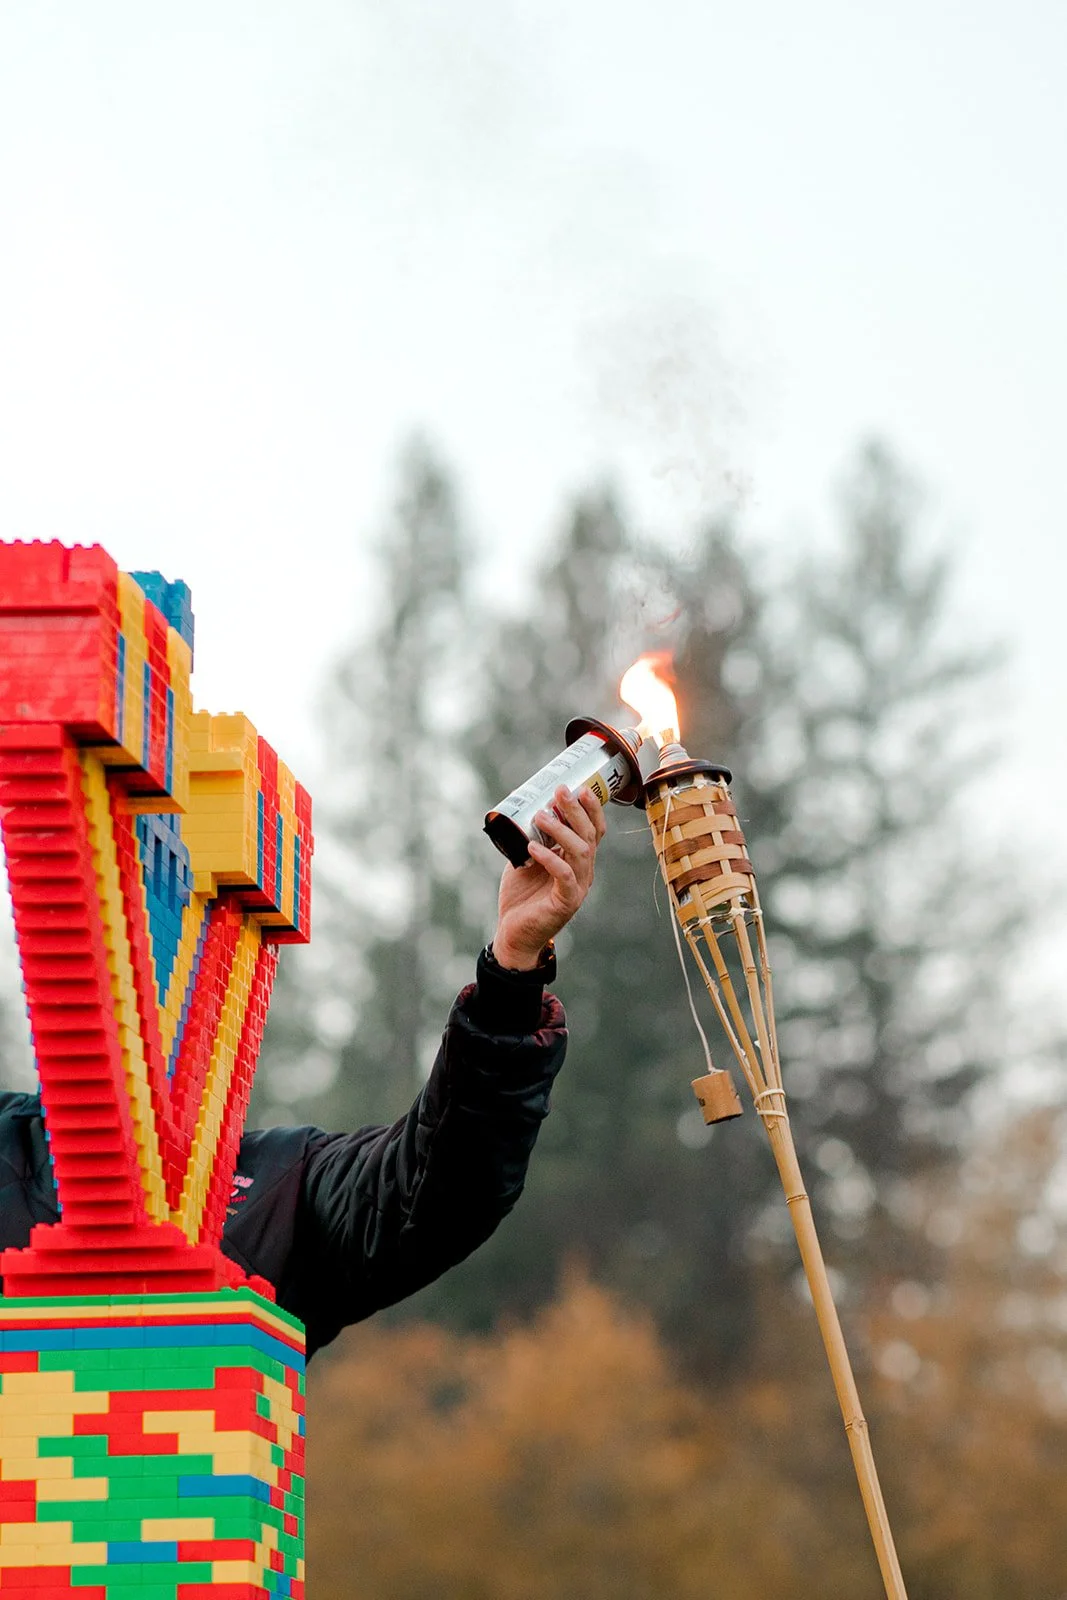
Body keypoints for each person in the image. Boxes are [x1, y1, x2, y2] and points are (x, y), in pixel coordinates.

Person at [0, 785, 606, 1359]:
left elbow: (438, 1191)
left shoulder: (276, 1188)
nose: (144, 961)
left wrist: (510, 974)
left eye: (179, 920)